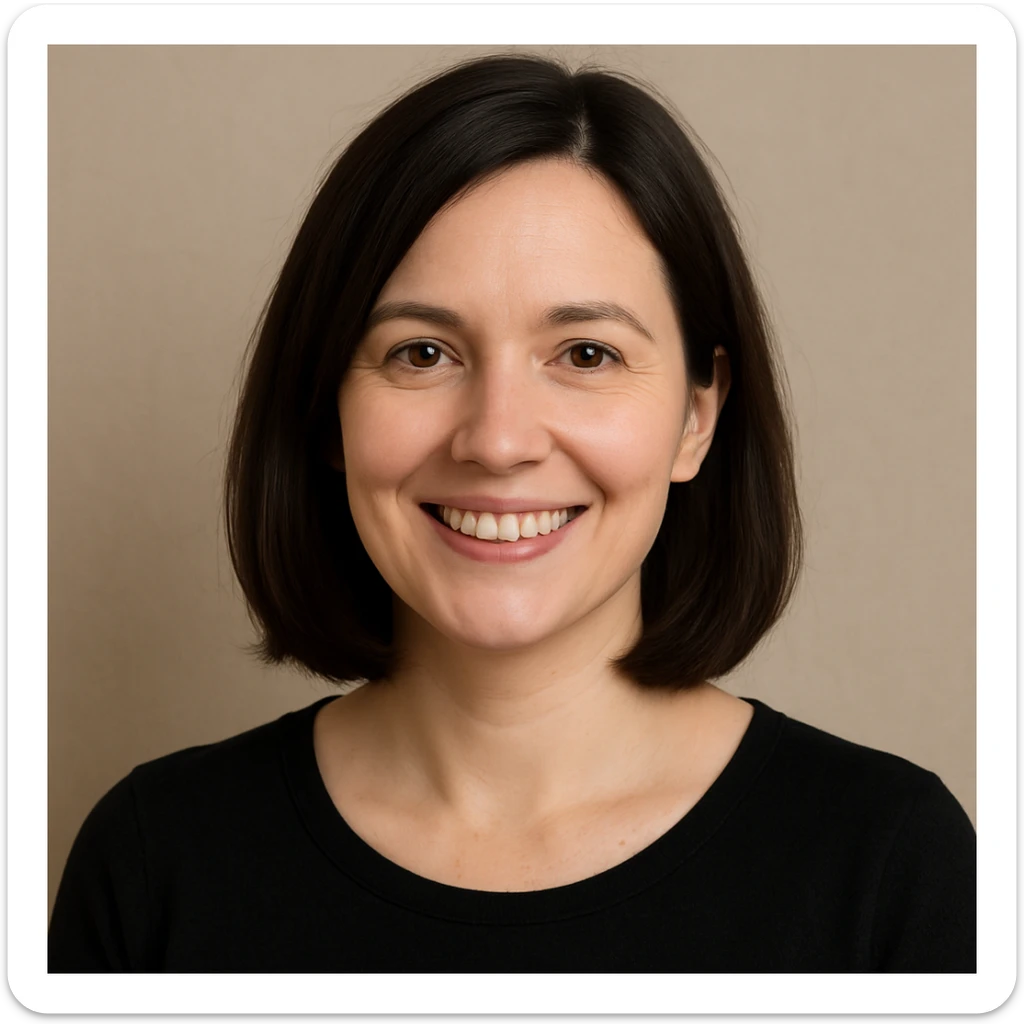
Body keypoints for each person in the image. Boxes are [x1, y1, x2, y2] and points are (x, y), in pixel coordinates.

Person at [48, 52, 975, 973]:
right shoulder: (154, 864)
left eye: (585, 355)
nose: (497, 441)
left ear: (697, 416)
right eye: (420, 354)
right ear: (327, 406)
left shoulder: (890, 867)